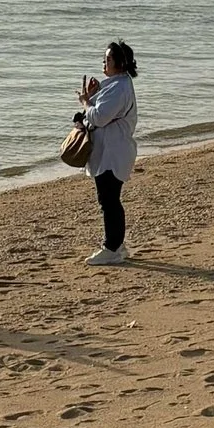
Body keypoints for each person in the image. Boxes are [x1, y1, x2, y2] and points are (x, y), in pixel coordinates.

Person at [75, 39, 139, 263]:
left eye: (108, 59)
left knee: (109, 200)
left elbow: (99, 117)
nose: (104, 62)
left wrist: (85, 102)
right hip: (110, 151)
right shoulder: (116, 84)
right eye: (104, 59)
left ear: (120, 63)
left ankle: (111, 248)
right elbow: (100, 111)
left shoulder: (119, 87)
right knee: (110, 199)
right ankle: (117, 246)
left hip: (113, 153)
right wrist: (91, 95)